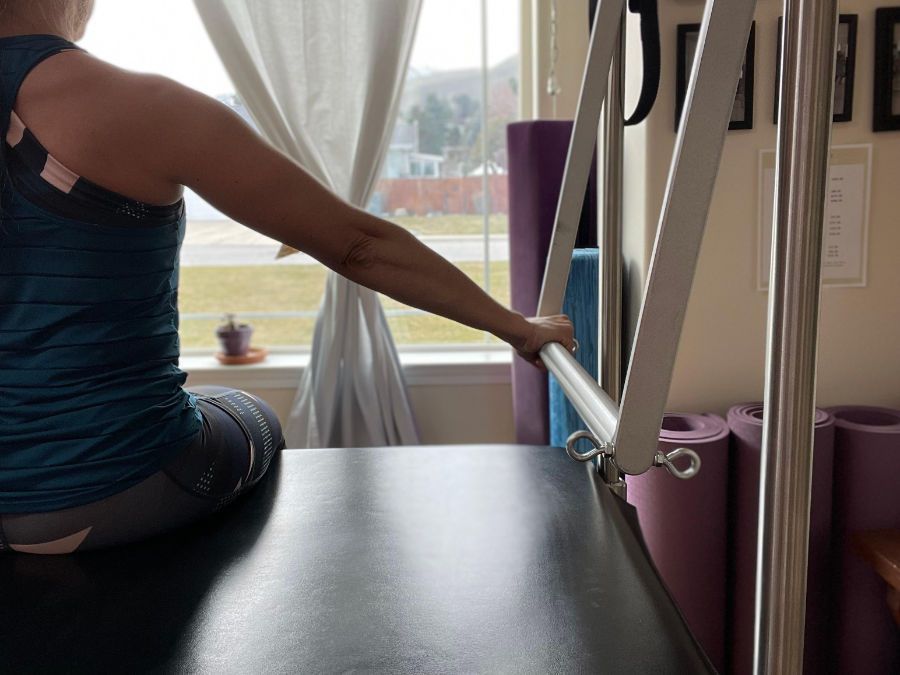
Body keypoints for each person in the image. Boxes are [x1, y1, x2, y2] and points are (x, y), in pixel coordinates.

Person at [0, 0, 574, 554]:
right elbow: (359, 245)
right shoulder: (140, 104)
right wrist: (519, 329)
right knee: (253, 413)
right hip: (102, 491)